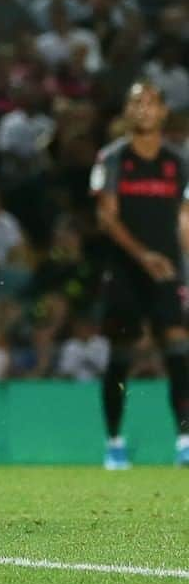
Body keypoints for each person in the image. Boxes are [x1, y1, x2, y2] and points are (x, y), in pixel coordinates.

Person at [90, 81, 189, 469]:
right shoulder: (112, 158)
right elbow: (106, 219)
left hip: (166, 271)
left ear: (163, 111)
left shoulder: (178, 162)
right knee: (121, 356)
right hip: (125, 271)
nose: (144, 109)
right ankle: (114, 442)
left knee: (179, 351)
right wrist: (144, 256)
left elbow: (184, 221)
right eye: (136, 103)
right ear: (127, 112)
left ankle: (184, 439)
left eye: (151, 102)